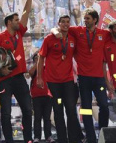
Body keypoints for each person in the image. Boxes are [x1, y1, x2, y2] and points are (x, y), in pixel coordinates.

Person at [52, 8, 110, 143]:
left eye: (88, 18)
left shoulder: (103, 33)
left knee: (104, 106)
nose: (85, 20)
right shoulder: (77, 31)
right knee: (86, 109)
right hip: (83, 78)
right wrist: (55, 32)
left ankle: (103, 134)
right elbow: (59, 28)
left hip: (99, 78)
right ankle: (91, 138)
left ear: (95, 20)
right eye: (84, 18)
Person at [0, 0, 34, 143]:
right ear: (9, 22)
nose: (19, 22)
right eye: (16, 20)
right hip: (4, 80)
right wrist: (0, 70)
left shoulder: (20, 33)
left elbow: (26, 12)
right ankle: (9, 140)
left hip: (19, 78)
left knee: (28, 110)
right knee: (6, 113)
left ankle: (28, 139)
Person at [37, 15, 84, 143]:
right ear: (58, 23)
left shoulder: (73, 39)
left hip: (68, 81)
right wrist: (39, 77)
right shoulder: (49, 39)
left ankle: (74, 139)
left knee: (71, 109)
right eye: (62, 22)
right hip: (53, 82)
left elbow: (78, 56)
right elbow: (41, 58)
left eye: (67, 22)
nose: (65, 24)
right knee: (58, 111)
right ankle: (62, 139)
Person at [30, 53, 54, 143]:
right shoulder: (34, 69)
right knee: (37, 118)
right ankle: (37, 137)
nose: (39, 59)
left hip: (47, 95)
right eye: (36, 58)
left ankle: (48, 136)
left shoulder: (46, 67)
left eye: (40, 58)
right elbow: (30, 73)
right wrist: (37, 63)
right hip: (36, 96)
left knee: (47, 118)